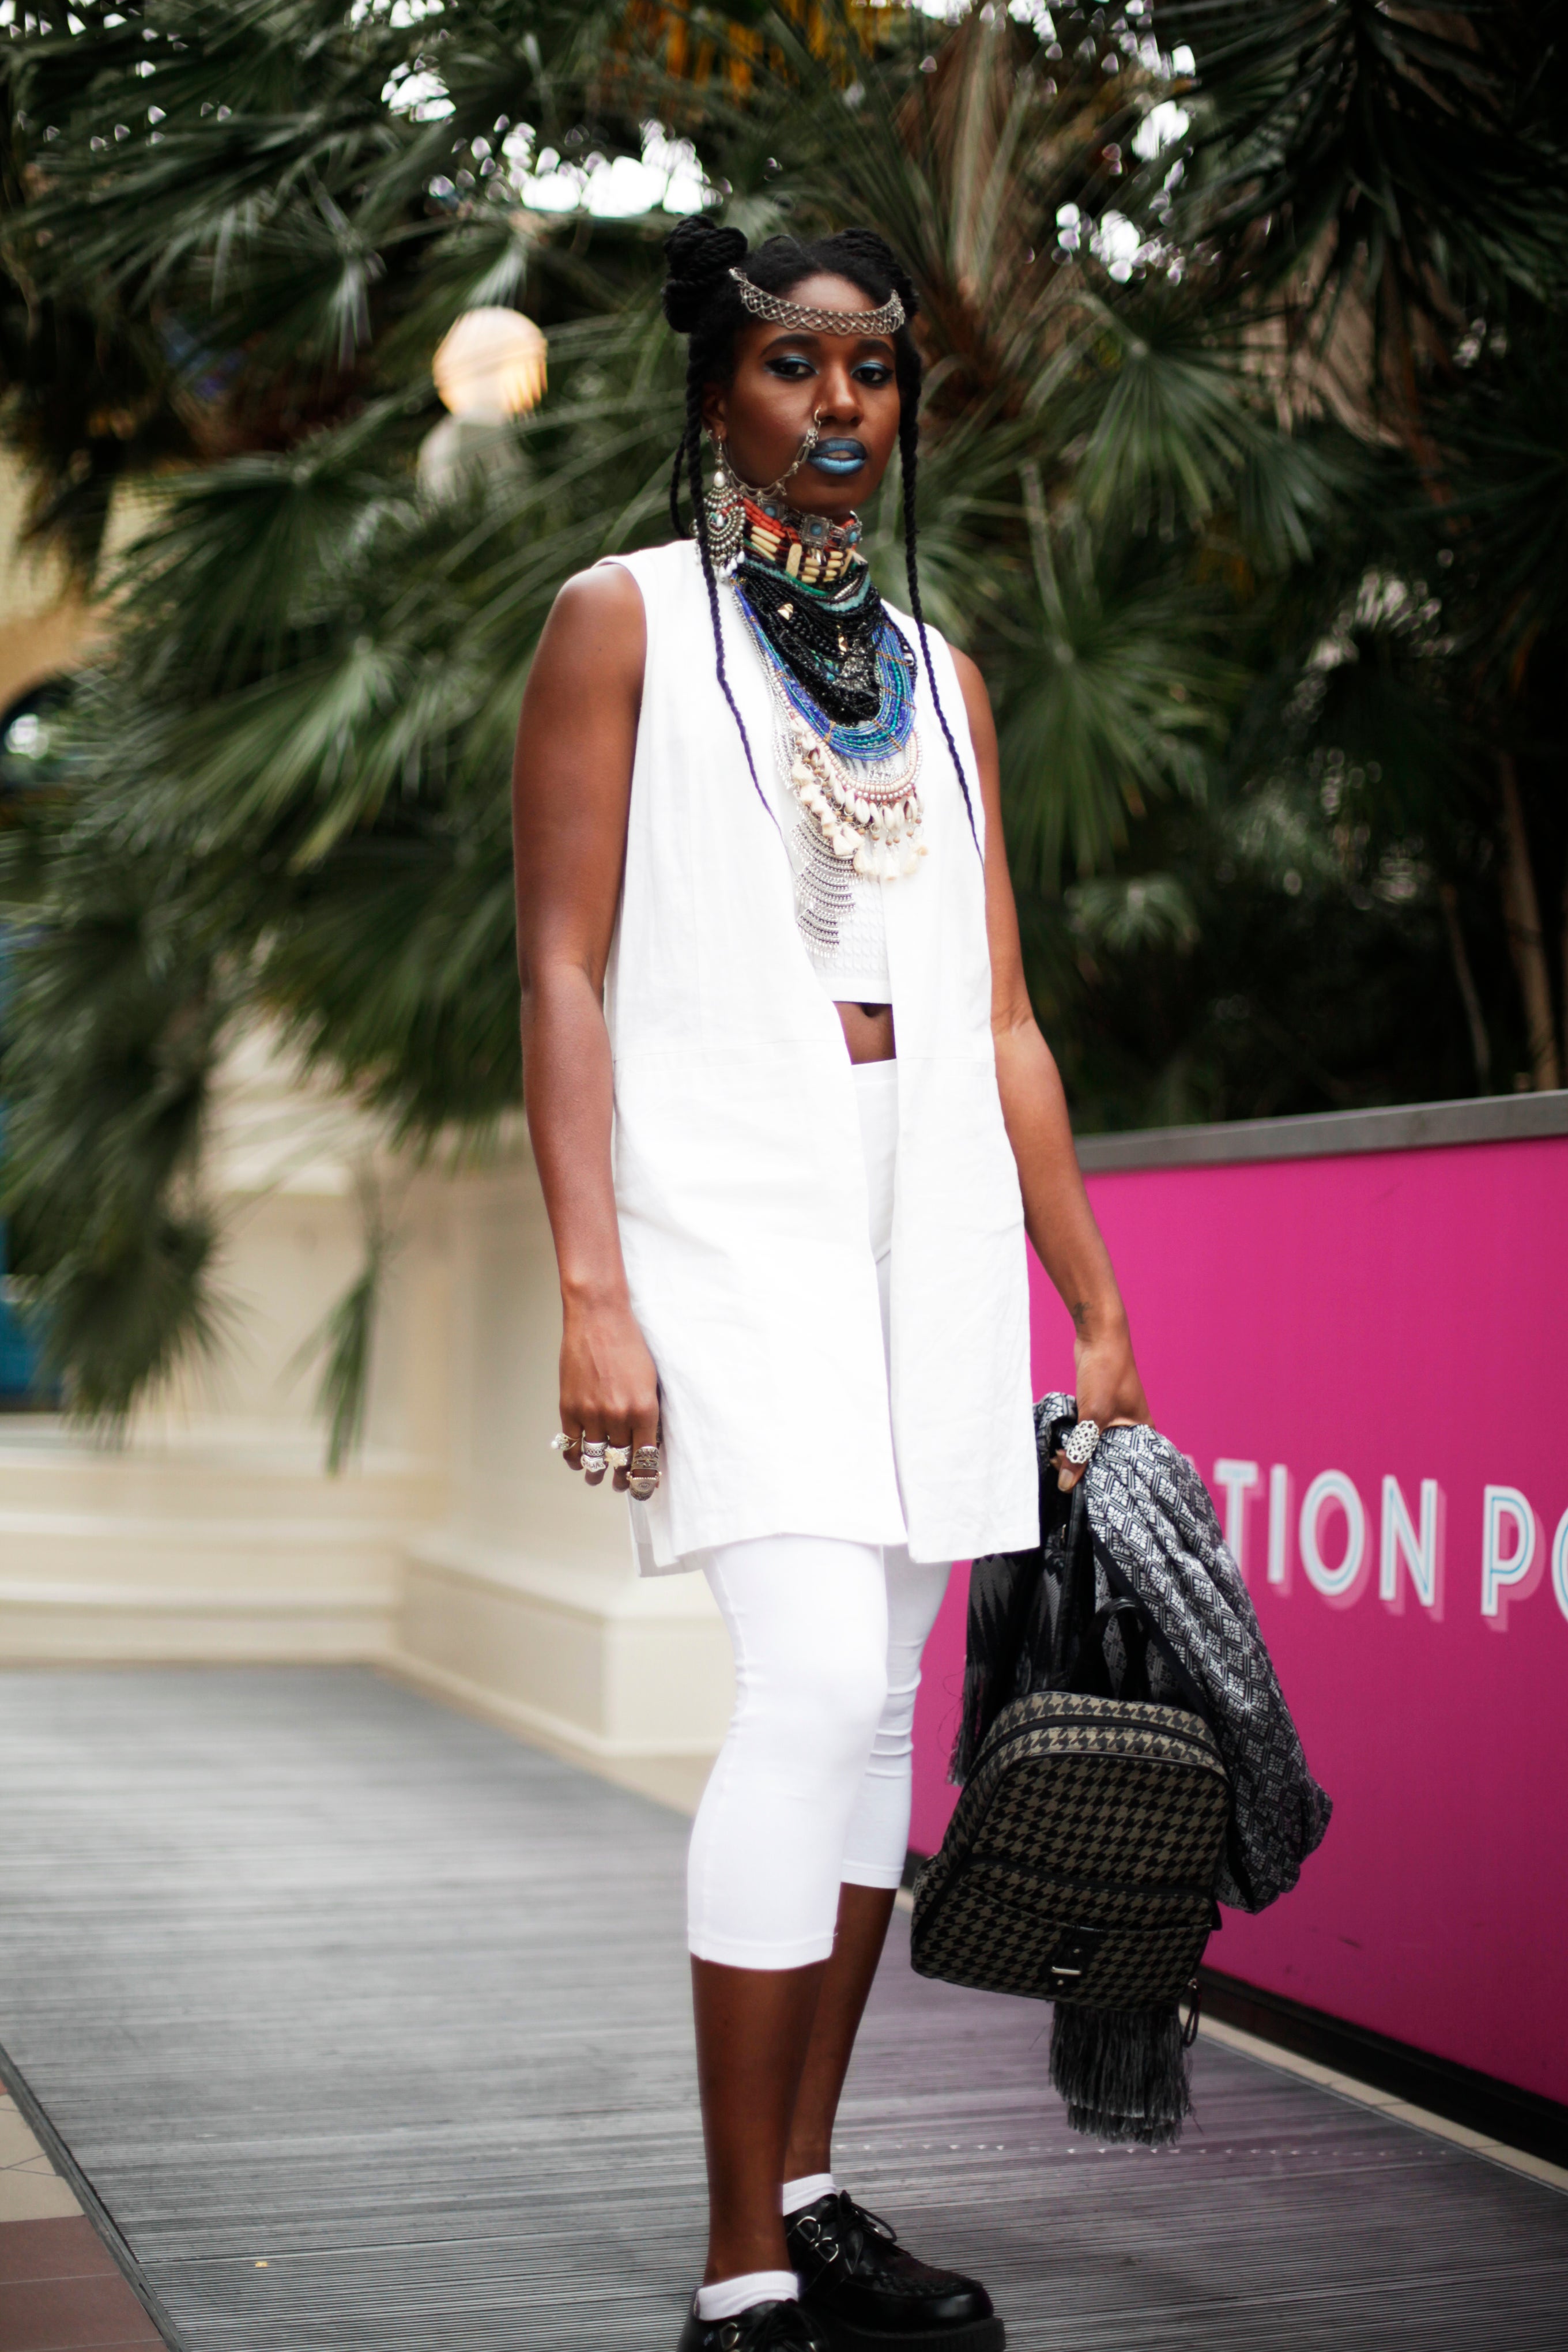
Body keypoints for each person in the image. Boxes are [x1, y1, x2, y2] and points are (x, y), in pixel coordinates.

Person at [511, 220, 1149, 2352]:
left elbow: (1010, 1019)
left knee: (875, 1721)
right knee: (804, 1690)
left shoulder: (947, 676)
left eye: (874, 370)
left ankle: (809, 2185)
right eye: (798, 366)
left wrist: (1095, 1298)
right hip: (732, 1210)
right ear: (719, 396)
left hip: (934, 1218)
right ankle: (737, 2273)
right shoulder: (621, 625)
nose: (844, 407)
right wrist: (592, 1286)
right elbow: (563, 970)